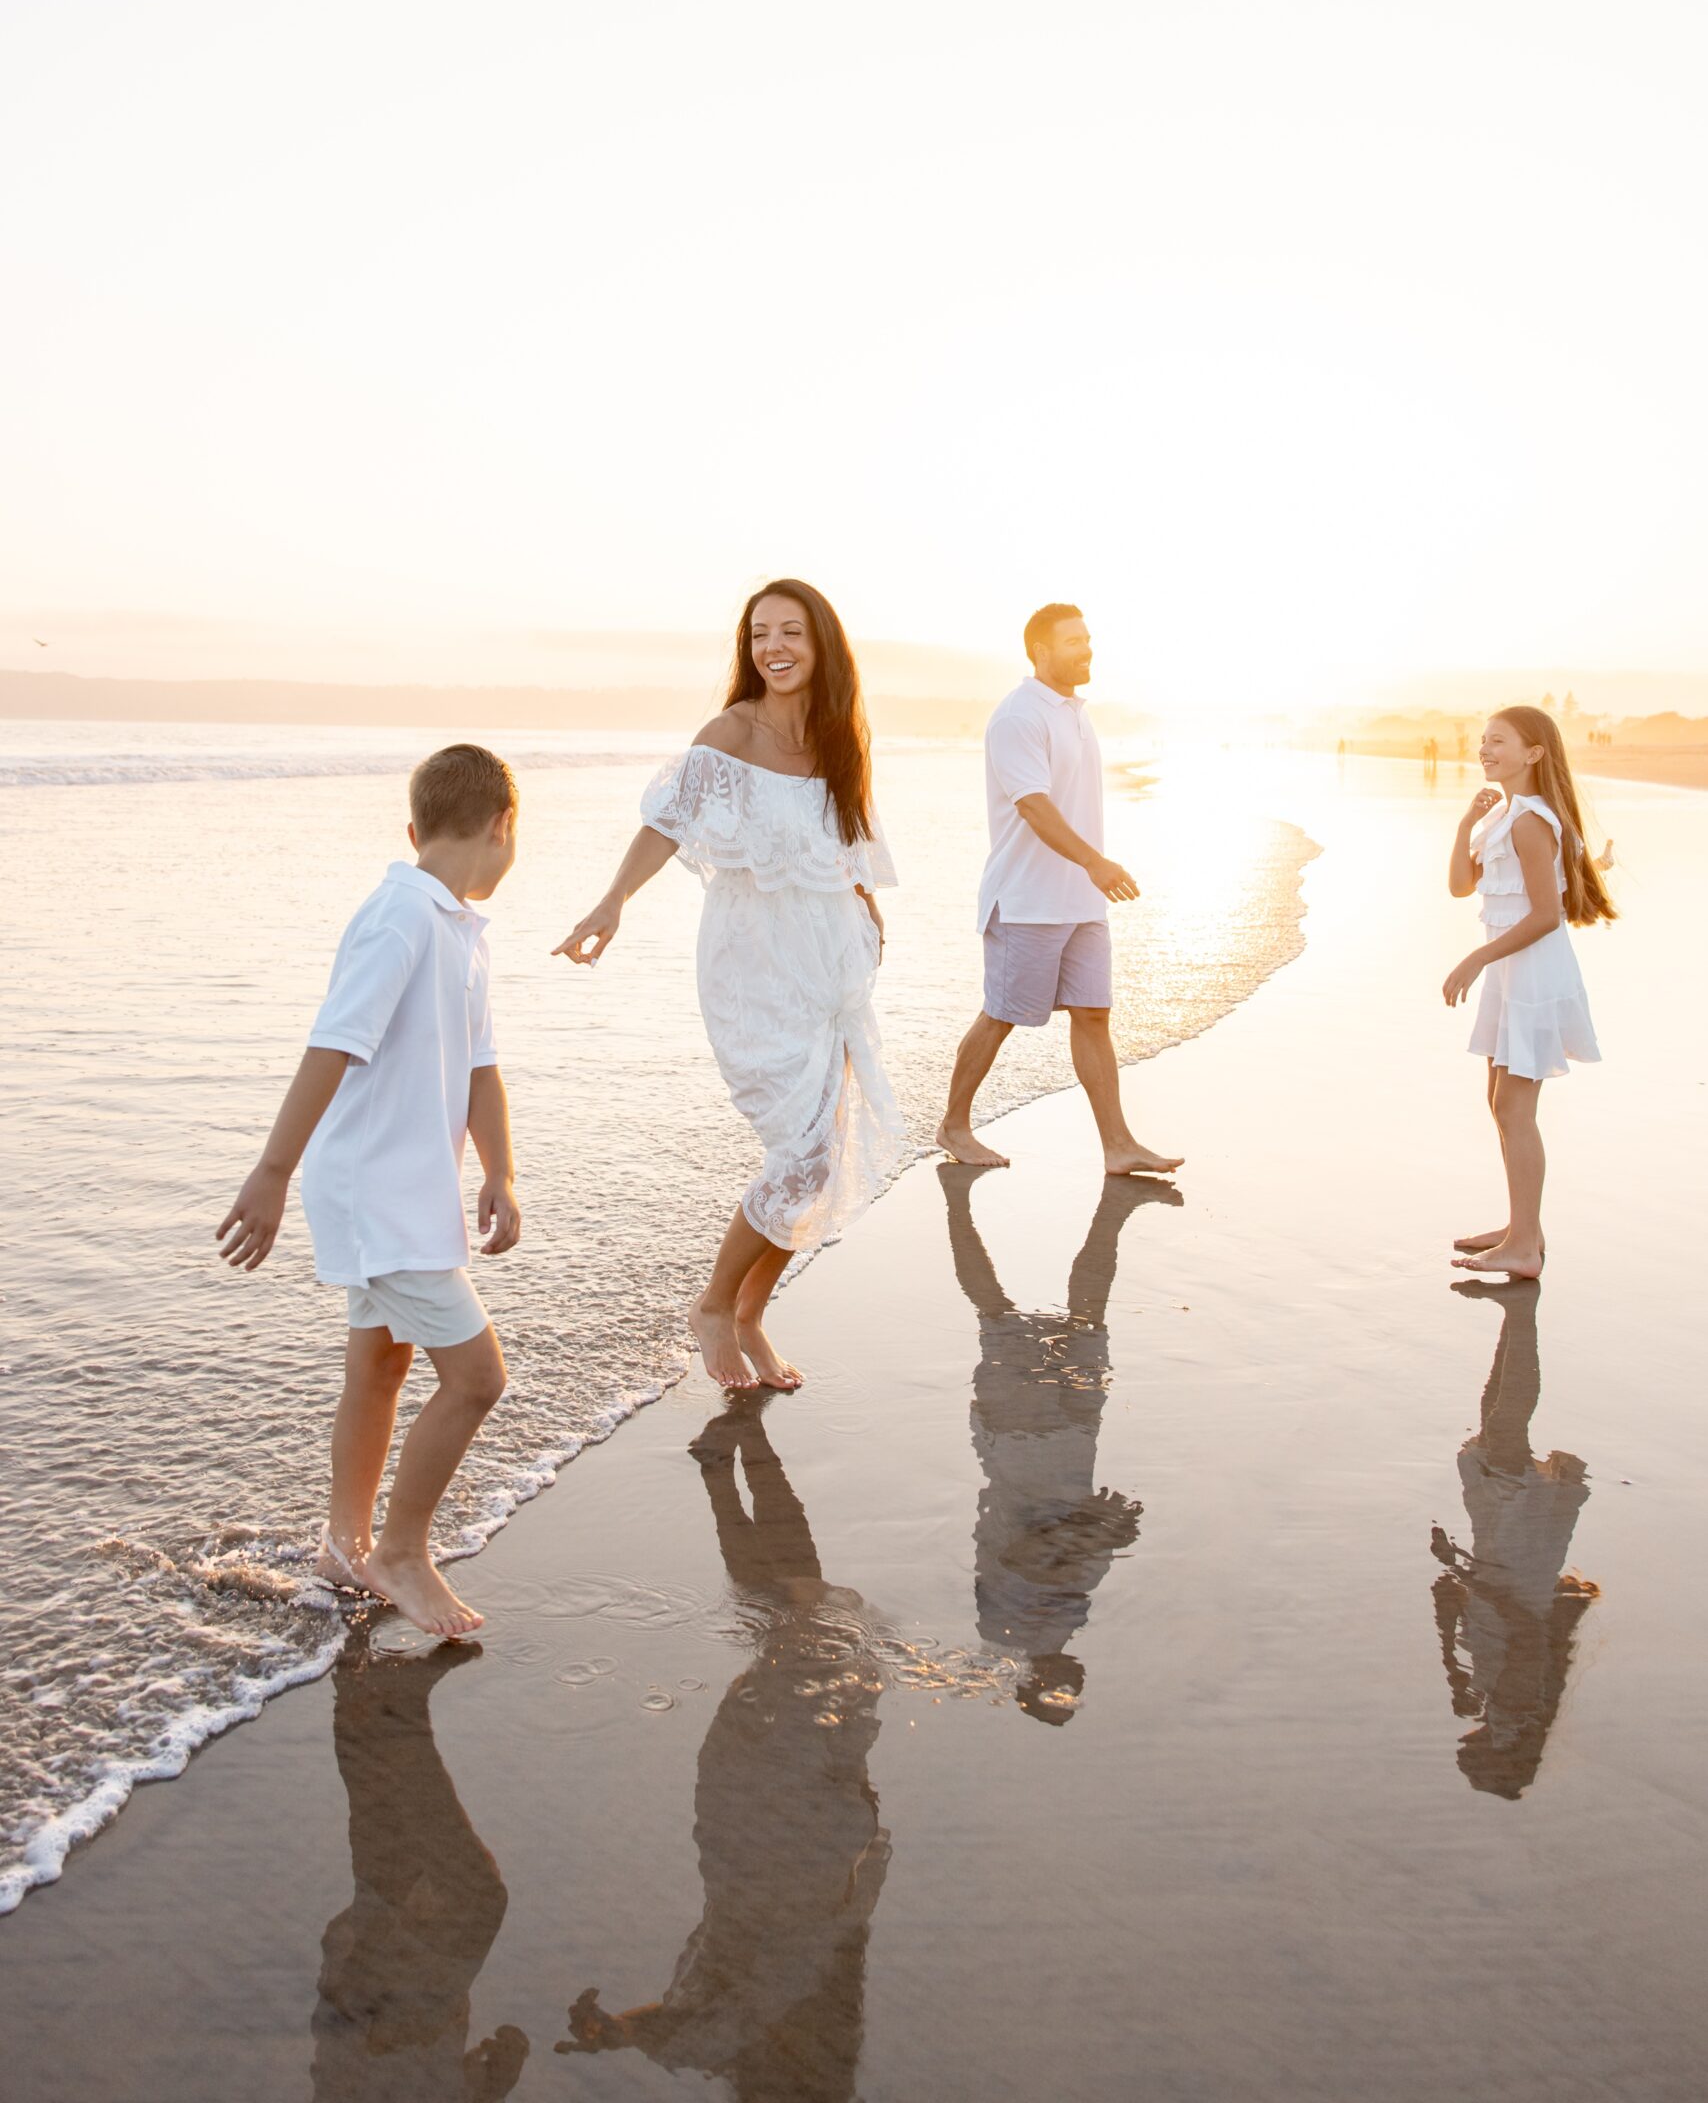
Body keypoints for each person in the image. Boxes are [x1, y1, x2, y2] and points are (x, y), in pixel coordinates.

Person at [556, 582, 905, 1393]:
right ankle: (715, 1306)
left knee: (818, 1158)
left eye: (790, 632)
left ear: (822, 645)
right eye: (758, 635)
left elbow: (849, 846)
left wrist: (868, 913)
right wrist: (612, 902)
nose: (773, 648)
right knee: (800, 1147)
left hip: (831, 971)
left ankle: (751, 1313)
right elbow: (665, 822)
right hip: (755, 967)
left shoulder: (838, 741)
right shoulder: (730, 734)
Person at [216, 744, 522, 1641]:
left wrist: (500, 1170)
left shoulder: (457, 926)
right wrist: (273, 1172)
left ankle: (346, 1546)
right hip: (376, 1196)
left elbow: (480, 1066)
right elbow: (333, 1043)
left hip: (409, 1191)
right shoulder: (401, 918)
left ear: (416, 827)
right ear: (505, 827)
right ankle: (401, 1551)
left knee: (381, 1365)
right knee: (476, 1378)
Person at [557, 1405, 890, 2101]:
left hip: (793, 1815)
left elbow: (691, 2032)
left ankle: (734, 1460)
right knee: (796, 1608)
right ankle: (726, 1465)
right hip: (753, 1817)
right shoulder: (774, 2009)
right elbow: (687, 2031)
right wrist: (623, 2032)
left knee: (804, 1606)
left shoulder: (793, 1996)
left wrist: (625, 2032)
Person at [935, 602, 1181, 1176]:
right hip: (1026, 900)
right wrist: (1095, 862)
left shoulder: (1074, 711)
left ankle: (1119, 1146)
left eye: (1088, 639)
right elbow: (1033, 806)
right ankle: (953, 1125)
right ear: (1041, 651)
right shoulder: (1019, 716)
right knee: (1001, 1016)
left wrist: (1090, 874)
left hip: (1081, 901)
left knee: (1094, 1016)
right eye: (1074, 641)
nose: (1087, 649)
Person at [938, 1162, 1178, 1721]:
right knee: (1088, 1321)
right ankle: (1112, 1213)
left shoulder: (1007, 1631)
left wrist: (1094, 1536)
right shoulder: (1062, 1627)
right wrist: (1105, 1530)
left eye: (1060, 1697)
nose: (1074, 1685)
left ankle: (956, 1204)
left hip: (1020, 1445)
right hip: (1071, 1449)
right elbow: (1061, 1555)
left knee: (996, 1314)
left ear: (1035, 1687)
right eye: (1074, 1695)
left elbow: (1022, 1555)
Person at [312, 1638, 528, 2101]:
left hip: (392, 2033)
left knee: (474, 1901)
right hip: (362, 2025)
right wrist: (490, 2085)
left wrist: (494, 2082)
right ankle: (353, 1676)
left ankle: (396, 1704)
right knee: (388, 1870)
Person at [1443, 705, 1614, 1279]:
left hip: (1532, 974)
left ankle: (1522, 1247)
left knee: (1515, 1110)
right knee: (1501, 1104)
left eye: (1498, 741)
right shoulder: (1503, 816)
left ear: (1533, 753)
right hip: (1510, 974)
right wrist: (1466, 824)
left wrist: (1475, 957)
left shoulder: (1531, 821)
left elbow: (1546, 915)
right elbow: (1461, 887)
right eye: (1482, 740)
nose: (1484, 749)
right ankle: (1525, 1230)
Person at [1428, 1283, 1598, 1799]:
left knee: (1494, 1424)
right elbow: (1523, 1630)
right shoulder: (1519, 1710)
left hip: (1496, 1559)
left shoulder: (1500, 1709)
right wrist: (1461, 1575)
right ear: (1497, 1756)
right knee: (1506, 1429)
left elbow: (1479, 1627)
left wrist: (1455, 1670)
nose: (1467, 1745)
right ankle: (1523, 1314)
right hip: (1515, 1559)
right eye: (1475, 1757)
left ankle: (1516, 1315)